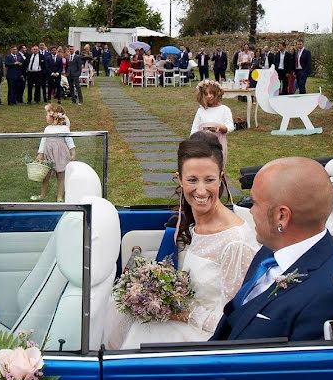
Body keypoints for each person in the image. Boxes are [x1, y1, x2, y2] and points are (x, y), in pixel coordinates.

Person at [106, 132, 260, 348]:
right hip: (185, 321)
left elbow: (231, 321)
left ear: (221, 178)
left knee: (143, 332)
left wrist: (177, 313)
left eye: (209, 180)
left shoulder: (235, 243)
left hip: (208, 339)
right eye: (192, 180)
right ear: (179, 179)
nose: (200, 190)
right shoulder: (195, 225)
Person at [211, 157, 333, 342]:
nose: (251, 211)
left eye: (255, 203)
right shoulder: (269, 252)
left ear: (281, 216)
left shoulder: (330, 297)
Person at [30, 103, 76, 202]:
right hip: (48, 154)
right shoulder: (47, 129)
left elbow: (69, 140)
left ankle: (60, 197)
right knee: (45, 176)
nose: (45, 117)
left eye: (47, 114)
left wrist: (72, 152)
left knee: (61, 176)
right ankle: (42, 195)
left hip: (60, 154)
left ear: (54, 117)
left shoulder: (64, 129)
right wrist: (40, 153)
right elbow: (43, 141)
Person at [190, 79, 235, 163]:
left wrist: (223, 128)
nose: (209, 96)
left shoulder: (224, 109)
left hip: (218, 143)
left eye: (211, 93)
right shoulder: (201, 111)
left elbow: (230, 126)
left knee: (217, 164)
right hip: (202, 143)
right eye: (206, 94)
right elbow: (194, 128)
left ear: (217, 93)